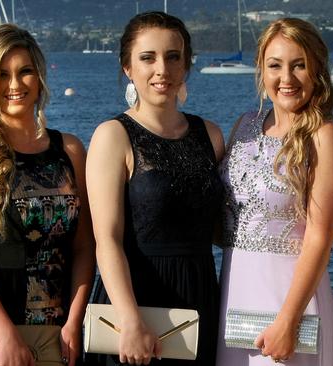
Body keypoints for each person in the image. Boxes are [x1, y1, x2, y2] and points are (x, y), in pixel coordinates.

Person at [0, 24, 95, 366]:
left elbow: (85, 246)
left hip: (61, 336)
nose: (14, 85)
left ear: (39, 77)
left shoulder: (69, 150)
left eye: (24, 71)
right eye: (1, 74)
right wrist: (6, 334)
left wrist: (74, 320)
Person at [85, 11, 225, 366]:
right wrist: (130, 320)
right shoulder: (112, 136)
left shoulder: (210, 135)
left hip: (199, 299)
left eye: (173, 57)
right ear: (128, 67)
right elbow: (107, 240)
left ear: (186, 66)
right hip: (133, 303)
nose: (162, 69)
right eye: (148, 58)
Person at [216, 18, 333, 366]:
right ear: (262, 70)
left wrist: (288, 320)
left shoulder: (324, 137)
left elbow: (320, 237)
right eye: (275, 65)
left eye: (299, 65)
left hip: (290, 305)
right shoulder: (244, 125)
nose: (286, 78)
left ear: (317, 70)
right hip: (235, 295)